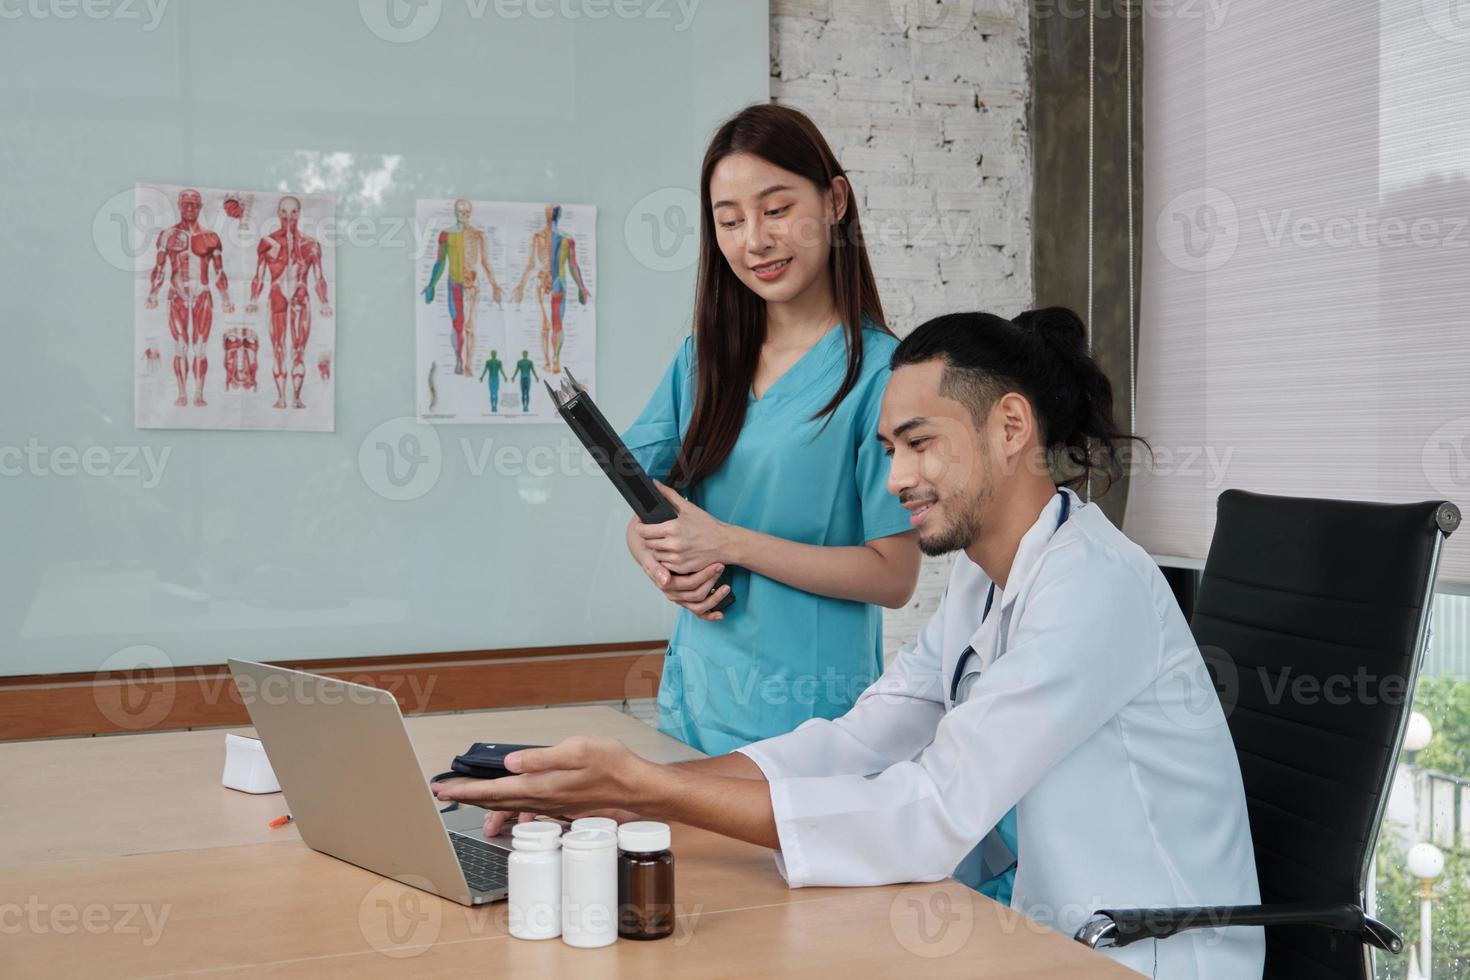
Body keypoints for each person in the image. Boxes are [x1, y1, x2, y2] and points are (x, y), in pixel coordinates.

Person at [435, 308, 1264, 979]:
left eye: (920, 442)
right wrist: (625, 792)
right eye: (889, 450)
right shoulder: (987, 576)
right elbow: (861, 739)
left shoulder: (1094, 587)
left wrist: (651, 795)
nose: (897, 478)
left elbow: (933, 809)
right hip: (1045, 941)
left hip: (1151, 957)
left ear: (1010, 427)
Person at [618, 104, 921, 756]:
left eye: (776, 210)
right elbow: (649, 500)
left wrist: (725, 540)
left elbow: (894, 577)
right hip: (694, 704)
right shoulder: (705, 358)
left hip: (809, 725)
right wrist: (652, 553)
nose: (753, 239)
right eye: (730, 221)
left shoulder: (883, 374)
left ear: (834, 200)